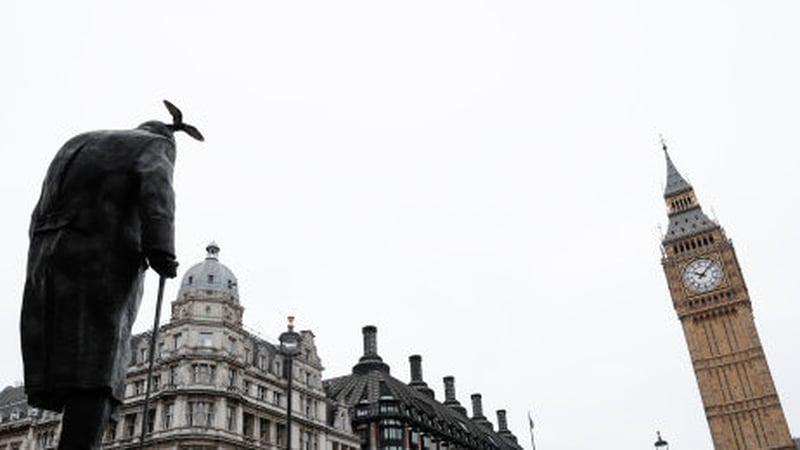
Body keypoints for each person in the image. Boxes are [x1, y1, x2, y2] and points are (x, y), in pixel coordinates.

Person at [20, 101, 203, 449]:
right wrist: (161, 250)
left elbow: (42, 205)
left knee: (63, 362)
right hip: (102, 259)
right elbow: (157, 192)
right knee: (99, 368)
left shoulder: (76, 142)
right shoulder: (156, 145)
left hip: (48, 258)